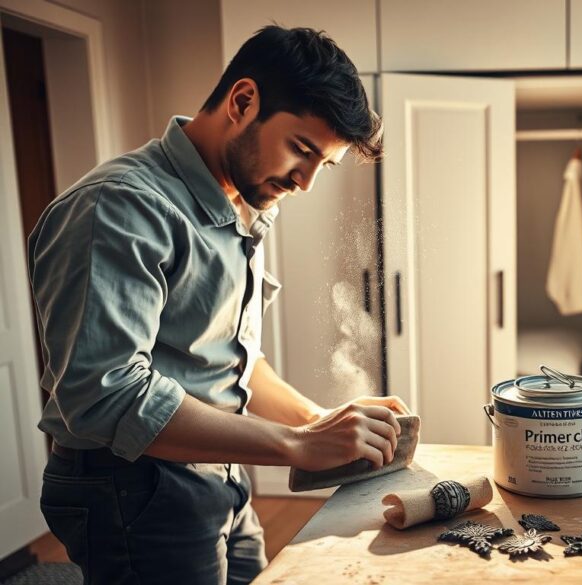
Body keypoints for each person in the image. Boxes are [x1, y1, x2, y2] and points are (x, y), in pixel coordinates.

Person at [27, 26, 403, 584]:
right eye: (301, 149)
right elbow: (105, 395)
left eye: (320, 165)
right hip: (132, 487)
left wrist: (316, 421)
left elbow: (232, 361)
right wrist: (298, 445)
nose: (303, 183)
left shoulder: (238, 205)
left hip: (217, 472)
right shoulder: (120, 207)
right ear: (243, 101)